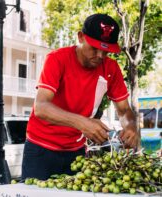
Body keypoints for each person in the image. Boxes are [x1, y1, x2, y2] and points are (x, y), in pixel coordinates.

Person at [21, 13, 139, 181]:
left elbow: (124, 110)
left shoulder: (111, 69)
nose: (100, 56)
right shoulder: (57, 59)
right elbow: (41, 107)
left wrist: (131, 126)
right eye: (94, 48)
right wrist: (83, 123)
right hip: (40, 148)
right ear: (80, 37)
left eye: (105, 51)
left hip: (76, 151)